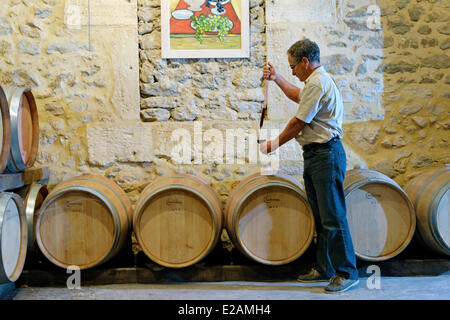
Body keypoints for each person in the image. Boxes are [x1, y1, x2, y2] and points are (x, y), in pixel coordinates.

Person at [260, 39, 359, 293]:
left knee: (333, 216)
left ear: (305, 62)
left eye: (293, 66)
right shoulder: (313, 84)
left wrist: (274, 144)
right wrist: (278, 77)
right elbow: (297, 96)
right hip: (317, 155)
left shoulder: (318, 83)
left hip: (326, 155)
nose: (292, 71)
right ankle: (325, 267)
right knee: (321, 215)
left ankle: (347, 272)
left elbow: (298, 122)